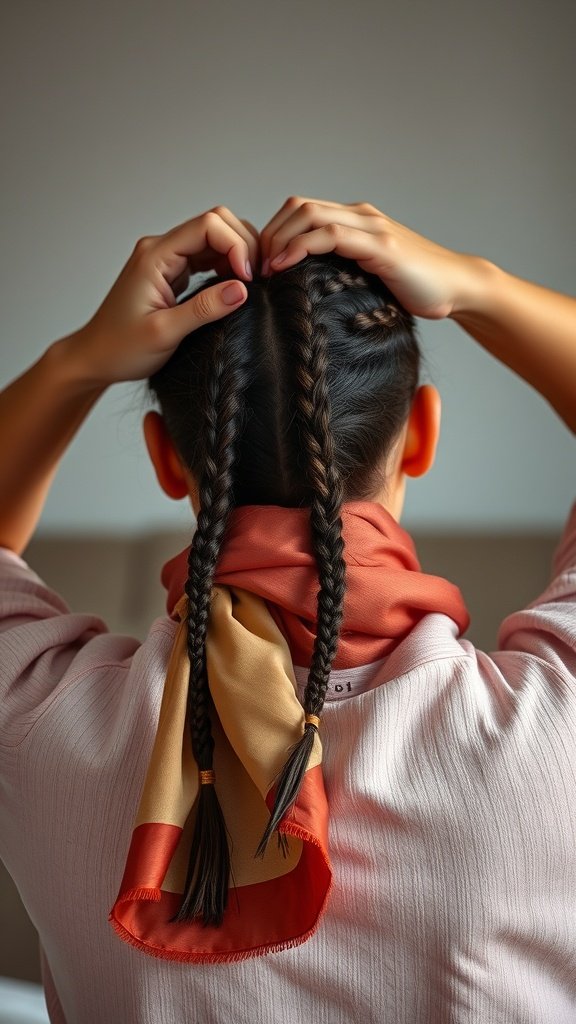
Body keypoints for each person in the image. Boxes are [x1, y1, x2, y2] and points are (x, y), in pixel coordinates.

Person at [0, 197, 575, 1024]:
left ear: (165, 458)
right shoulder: (555, 728)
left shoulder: (43, 725)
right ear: (421, 435)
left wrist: (77, 362)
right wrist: (477, 286)